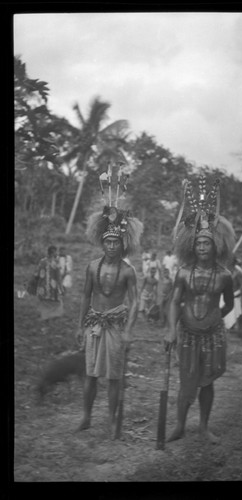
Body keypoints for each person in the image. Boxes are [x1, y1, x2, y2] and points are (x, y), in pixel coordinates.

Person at [164, 174, 235, 443]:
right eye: (199, 243)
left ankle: (204, 427)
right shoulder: (183, 272)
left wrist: (216, 320)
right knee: (186, 382)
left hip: (213, 335)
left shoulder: (225, 275)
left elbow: (228, 303)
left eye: (207, 243)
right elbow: (174, 301)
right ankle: (180, 425)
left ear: (215, 246)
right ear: (193, 246)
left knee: (208, 382)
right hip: (188, 335)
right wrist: (171, 329)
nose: (203, 247)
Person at [75, 169, 143, 438]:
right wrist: (80, 326)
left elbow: (136, 300)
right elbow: (84, 296)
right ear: (102, 243)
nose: (112, 245)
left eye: (116, 241)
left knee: (115, 376)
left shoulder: (128, 271)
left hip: (115, 323)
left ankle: (113, 420)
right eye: (108, 241)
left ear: (122, 244)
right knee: (90, 374)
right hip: (94, 322)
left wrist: (128, 331)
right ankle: (87, 417)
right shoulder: (92, 267)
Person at [33, 245, 64, 334]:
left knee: (46, 306)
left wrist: (36, 285)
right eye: (56, 252)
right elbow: (58, 276)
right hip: (52, 289)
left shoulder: (42, 261)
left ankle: (47, 324)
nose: (57, 253)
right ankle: (48, 324)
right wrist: (61, 287)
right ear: (53, 252)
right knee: (55, 305)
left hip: (43, 288)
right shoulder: (55, 262)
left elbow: (37, 274)